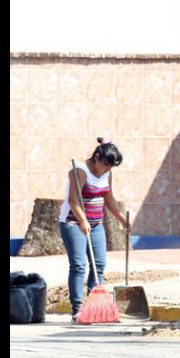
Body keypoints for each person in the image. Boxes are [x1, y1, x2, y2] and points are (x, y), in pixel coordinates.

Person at [59, 137, 130, 323]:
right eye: (105, 165)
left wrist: (122, 220)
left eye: (110, 167)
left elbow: (109, 198)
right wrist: (82, 220)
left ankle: (93, 307)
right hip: (73, 223)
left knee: (99, 264)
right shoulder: (79, 171)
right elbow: (74, 200)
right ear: (97, 157)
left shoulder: (107, 173)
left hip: (97, 224)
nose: (107, 170)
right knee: (79, 265)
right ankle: (78, 310)